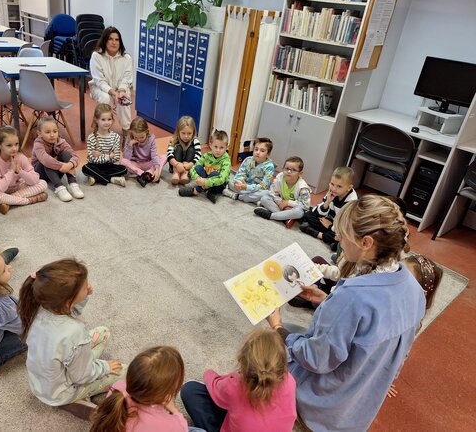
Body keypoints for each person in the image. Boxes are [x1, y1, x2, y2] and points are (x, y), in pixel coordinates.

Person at [267, 195, 426, 432]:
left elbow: (316, 359)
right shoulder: (414, 289)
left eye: (342, 233)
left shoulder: (352, 296)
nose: (337, 238)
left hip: (319, 406)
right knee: (294, 334)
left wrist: (278, 328)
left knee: (269, 346)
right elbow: (369, 332)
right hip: (357, 410)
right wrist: (326, 300)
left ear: (366, 243)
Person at [18, 258, 125, 420]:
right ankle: (71, 400)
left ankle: (73, 389)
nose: (88, 286)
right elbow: (82, 376)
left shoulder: (39, 308)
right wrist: (105, 367)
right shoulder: (74, 331)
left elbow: (68, 313)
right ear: (68, 301)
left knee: (103, 332)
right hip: (60, 391)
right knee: (125, 371)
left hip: (41, 383)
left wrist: (84, 297)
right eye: (84, 286)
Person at [181, 328, 297, 432]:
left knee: (190, 390)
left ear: (241, 359)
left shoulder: (235, 385)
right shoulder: (290, 381)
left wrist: (211, 373)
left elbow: (213, 384)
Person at [90, 346, 204, 432]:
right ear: (166, 394)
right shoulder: (168, 425)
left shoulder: (118, 388)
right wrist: (175, 411)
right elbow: (183, 428)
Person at [0, 126, 48, 215]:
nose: (14, 148)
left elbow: (35, 180)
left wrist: (20, 172)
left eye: (16, 144)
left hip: (17, 188)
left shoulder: (21, 157)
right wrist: (11, 171)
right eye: (9, 145)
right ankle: (28, 201)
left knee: (43, 183)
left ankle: (8, 202)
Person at [89, 27, 133, 138]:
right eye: (110, 39)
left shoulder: (126, 58)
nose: (114, 42)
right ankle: (101, 129)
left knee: (123, 100)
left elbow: (127, 78)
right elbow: (99, 81)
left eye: (117, 40)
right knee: (106, 98)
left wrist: (121, 91)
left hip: (120, 89)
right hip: (99, 88)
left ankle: (126, 131)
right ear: (105, 41)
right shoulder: (96, 56)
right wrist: (113, 93)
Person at [300, 166, 357, 250]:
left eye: (339, 186)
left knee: (341, 237)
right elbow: (319, 211)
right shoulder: (333, 191)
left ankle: (318, 234)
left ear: (349, 188)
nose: (334, 189)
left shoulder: (351, 202)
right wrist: (327, 202)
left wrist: (330, 226)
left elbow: (344, 226)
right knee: (308, 214)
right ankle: (328, 238)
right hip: (330, 220)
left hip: (341, 226)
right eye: (332, 184)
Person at [31, 117, 84, 202]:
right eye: (47, 132)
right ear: (39, 133)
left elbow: (76, 156)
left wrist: (69, 165)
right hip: (41, 174)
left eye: (55, 131)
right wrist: (62, 166)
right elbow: (46, 160)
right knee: (47, 160)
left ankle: (72, 183)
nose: (52, 135)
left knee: (66, 154)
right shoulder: (38, 144)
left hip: (57, 171)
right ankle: (59, 187)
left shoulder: (61, 142)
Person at [254, 156, 311, 228]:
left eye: (293, 170)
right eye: (287, 168)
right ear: (282, 169)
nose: (289, 172)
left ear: (300, 173)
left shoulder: (303, 187)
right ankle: (285, 218)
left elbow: (306, 206)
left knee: (299, 212)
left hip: (293, 208)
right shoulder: (279, 177)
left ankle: (271, 215)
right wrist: (280, 202)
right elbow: (273, 193)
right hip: (280, 204)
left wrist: (288, 203)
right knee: (264, 198)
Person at [179, 129, 231, 204]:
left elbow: (222, 179)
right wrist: (198, 178)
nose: (218, 150)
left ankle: (196, 190)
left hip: (219, 185)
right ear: (210, 145)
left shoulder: (226, 160)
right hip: (206, 178)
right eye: (215, 147)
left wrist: (205, 182)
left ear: (226, 147)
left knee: (215, 174)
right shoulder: (207, 155)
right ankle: (208, 191)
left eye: (221, 147)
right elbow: (194, 167)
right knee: (198, 168)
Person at [82, 103, 128, 187]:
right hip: (94, 166)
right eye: (103, 120)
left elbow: (116, 157)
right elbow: (93, 159)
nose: (107, 122)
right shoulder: (91, 137)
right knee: (85, 168)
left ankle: (96, 177)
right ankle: (111, 179)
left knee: (124, 169)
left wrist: (101, 155)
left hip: (109, 165)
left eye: (109, 119)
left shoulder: (116, 137)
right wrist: (108, 156)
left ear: (112, 120)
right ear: (96, 120)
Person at [222, 138, 274, 204]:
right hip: (245, 185)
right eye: (256, 149)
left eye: (262, 151)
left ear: (268, 154)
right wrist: (241, 182)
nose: (258, 152)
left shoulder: (269, 167)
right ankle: (252, 199)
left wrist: (246, 187)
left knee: (266, 193)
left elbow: (263, 186)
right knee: (229, 181)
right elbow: (239, 174)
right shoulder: (248, 159)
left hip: (257, 189)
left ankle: (238, 196)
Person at [120, 117, 167, 187]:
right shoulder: (129, 138)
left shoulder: (151, 138)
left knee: (164, 157)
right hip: (136, 164)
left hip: (148, 163)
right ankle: (143, 174)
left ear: (146, 132)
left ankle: (151, 173)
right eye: (136, 137)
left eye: (142, 137)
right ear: (132, 133)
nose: (139, 140)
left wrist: (157, 169)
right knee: (122, 161)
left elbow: (154, 155)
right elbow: (126, 158)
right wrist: (130, 145)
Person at [166, 116, 202, 185]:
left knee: (191, 149)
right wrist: (177, 164)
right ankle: (176, 173)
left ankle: (184, 174)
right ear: (178, 131)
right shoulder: (173, 140)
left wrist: (190, 164)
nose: (186, 136)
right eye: (183, 133)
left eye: (189, 133)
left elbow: (199, 156)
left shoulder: (195, 141)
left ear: (193, 132)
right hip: (175, 165)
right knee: (178, 148)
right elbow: (169, 155)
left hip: (188, 166)